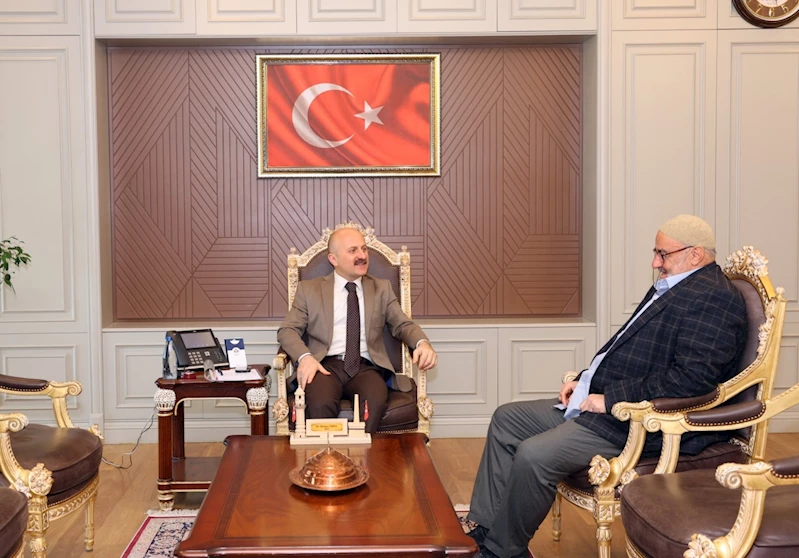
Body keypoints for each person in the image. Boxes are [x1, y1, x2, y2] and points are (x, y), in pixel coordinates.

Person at [466, 215, 749, 558]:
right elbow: (627, 350)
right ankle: (485, 529)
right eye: (656, 253)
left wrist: (610, 398)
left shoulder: (715, 297)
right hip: (603, 406)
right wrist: (585, 380)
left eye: (663, 254)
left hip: (640, 422)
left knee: (534, 455)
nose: (655, 262)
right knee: (507, 419)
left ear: (696, 254)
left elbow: (691, 379)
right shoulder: (675, 284)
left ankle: (502, 551)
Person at [277, 226, 437, 433]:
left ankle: (365, 453)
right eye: (353, 251)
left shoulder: (381, 289)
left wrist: (422, 343)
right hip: (324, 366)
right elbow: (287, 330)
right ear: (333, 259)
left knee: (374, 401)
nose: (362, 256)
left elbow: (403, 324)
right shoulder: (310, 290)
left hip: (365, 367)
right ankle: (327, 454)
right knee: (320, 403)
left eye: (364, 249)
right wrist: (305, 357)